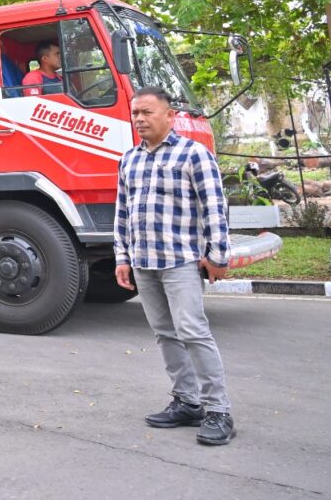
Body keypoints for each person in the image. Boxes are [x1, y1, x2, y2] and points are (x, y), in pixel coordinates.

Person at [114, 86, 236, 446]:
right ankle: (187, 401)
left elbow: (214, 208)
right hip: (144, 263)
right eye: (136, 113)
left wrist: (218, 256)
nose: (140, 119)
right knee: (165, 334)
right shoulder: (129, 160)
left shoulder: (194, 155)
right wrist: (123, 258)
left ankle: (219, 410)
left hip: (180, 261)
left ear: (170, 115)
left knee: (193, 332)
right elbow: (123, 214)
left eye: (147, 112)